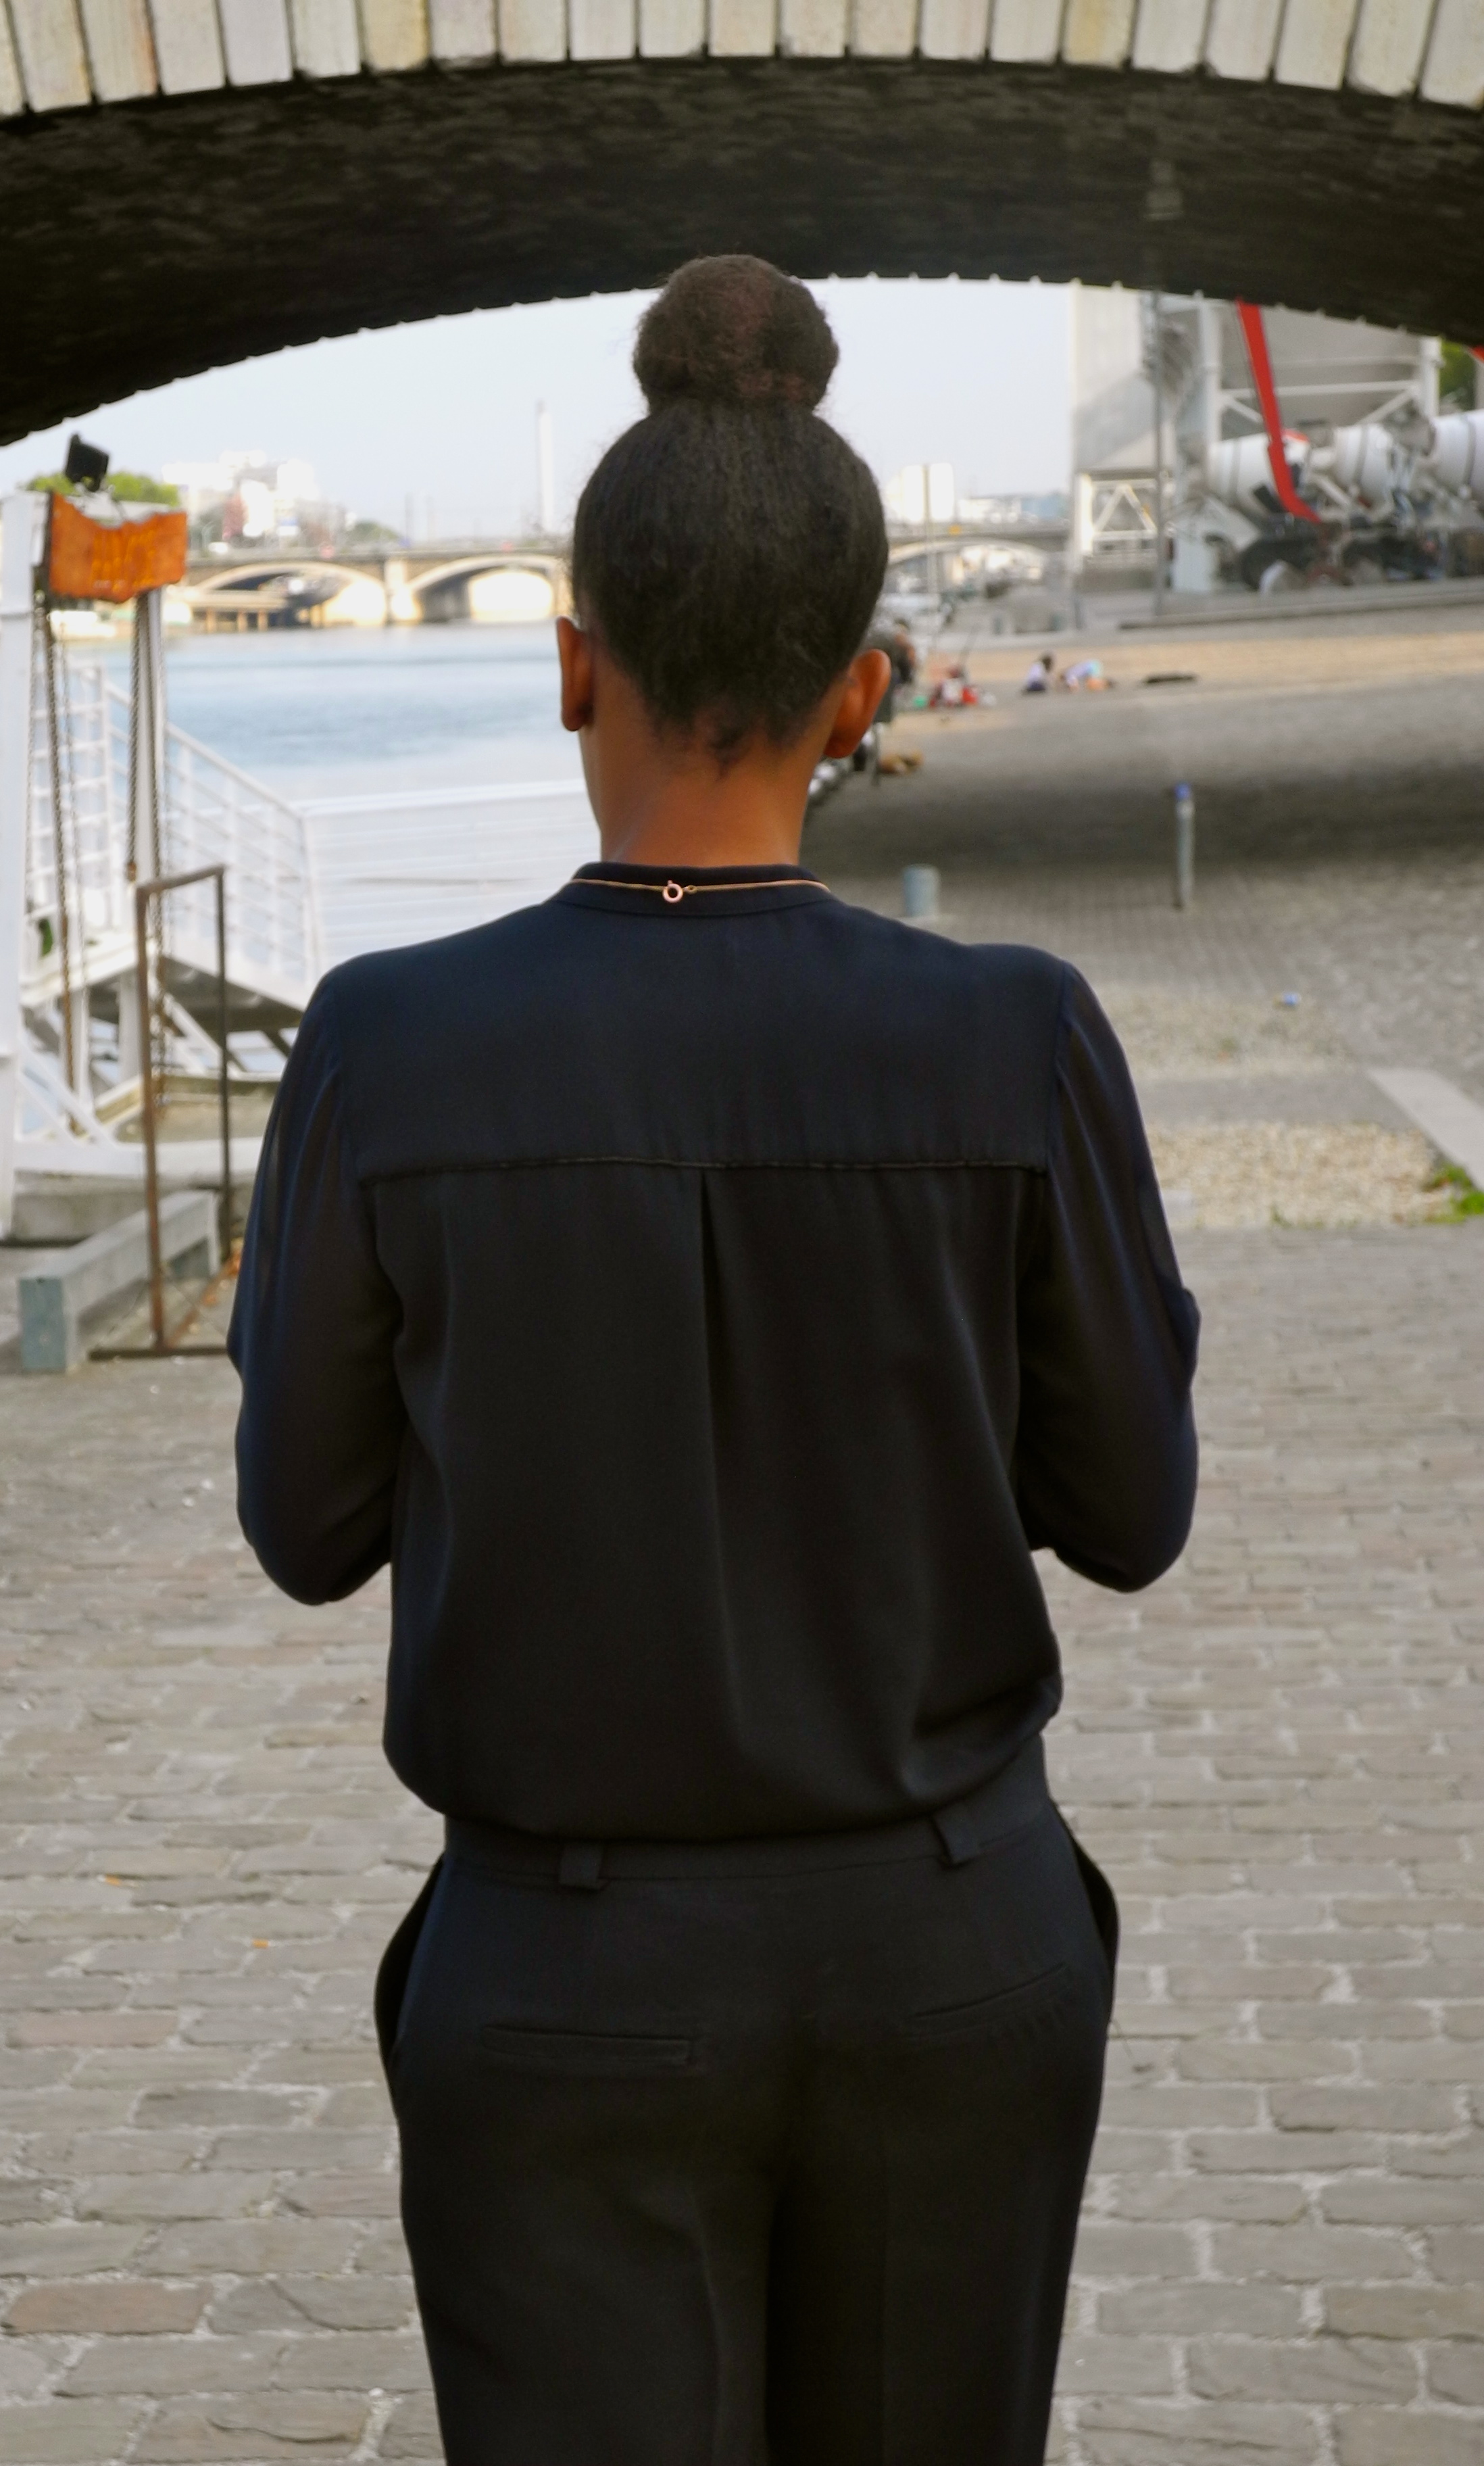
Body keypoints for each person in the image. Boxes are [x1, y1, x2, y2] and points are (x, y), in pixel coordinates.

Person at [230, 256, 1198, 2466]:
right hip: (949, 1944)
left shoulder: (388, 1044)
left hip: (563, 1973)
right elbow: (1132, 1514)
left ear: (573, 662)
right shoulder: (1018, 1034)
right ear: (860, 690)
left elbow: (304, 1526)